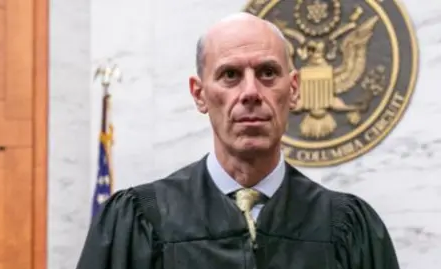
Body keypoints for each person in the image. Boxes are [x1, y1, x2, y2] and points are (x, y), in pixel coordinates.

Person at [76, 12, 400, 269]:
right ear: (199, 94)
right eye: (230, 75)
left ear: (295, 89)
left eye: (268, 73)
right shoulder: (140, 223)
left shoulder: (347, 229)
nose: (250, 93)